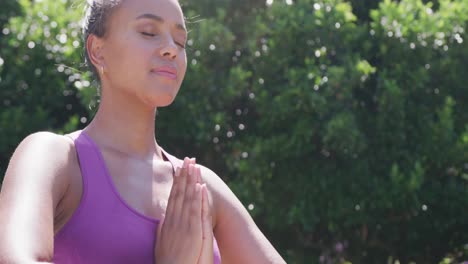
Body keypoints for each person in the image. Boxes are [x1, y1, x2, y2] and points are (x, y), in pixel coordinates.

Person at [0, 0, 286, 263]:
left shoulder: (200, 187)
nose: (171, 48)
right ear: (98, 51)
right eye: (149, 32)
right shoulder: (55, 159)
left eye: (180, 40)